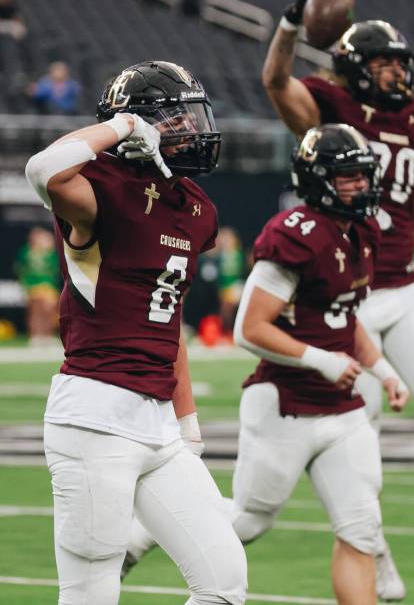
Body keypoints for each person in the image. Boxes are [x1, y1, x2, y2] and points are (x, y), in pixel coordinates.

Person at [261, 0, 414, 601]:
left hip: (405, 281)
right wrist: (290, 24)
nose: (397, 73)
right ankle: (377, 550)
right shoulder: (328, 104)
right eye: (385, 63)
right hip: (349, 289)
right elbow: (276, 82)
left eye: (401, 63)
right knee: (355, 427)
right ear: (354, 68)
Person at [25, 60, 247, 605]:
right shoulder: (99, 187)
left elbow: (168, 321)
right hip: (95, 415)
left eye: (190, 119)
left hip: (158, 426)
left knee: (223, 581)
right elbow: (42, 168)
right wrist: (122, 128)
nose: (191, 131)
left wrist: (188, 423)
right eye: (173, 121)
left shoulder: (195, 208)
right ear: (137, 123)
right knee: (90, 593)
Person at [231, 124, 409, 605]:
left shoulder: (362, 230)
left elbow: (344, 316)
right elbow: (250, 328)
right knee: (247, 521)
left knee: (361, 530)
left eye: (363, 174)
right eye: (348, 176)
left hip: (342, 410)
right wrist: (323, 362)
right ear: (318, 179)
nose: (362, 185)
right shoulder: (296, 234)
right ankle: (140, 540)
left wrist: (386, 372)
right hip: (284, 403)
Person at [13, 226, 60, 345]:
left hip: (48, 287)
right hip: (32, 287)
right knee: (35, 312)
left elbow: (55, 270)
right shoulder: (26, 252)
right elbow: (20, 269)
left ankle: (47, 336)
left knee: (49, 311)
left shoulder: (51, 254)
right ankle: (35, 336)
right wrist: (25, 283)